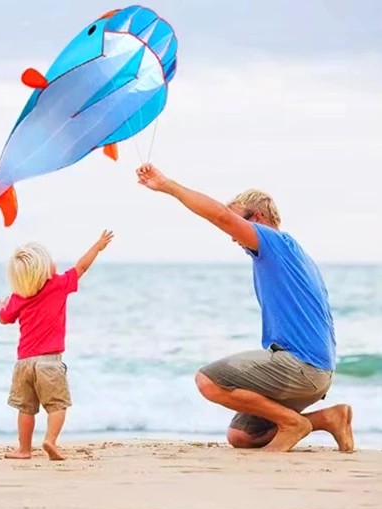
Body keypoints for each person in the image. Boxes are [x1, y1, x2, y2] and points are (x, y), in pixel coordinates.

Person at [135, 163, 353, 453]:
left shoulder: (274, 242)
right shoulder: (293, 256)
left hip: (303, 368)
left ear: (258, 218)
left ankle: (293, 424)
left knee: (207, 381)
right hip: (316, 372)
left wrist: (168, 186)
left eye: (239, 223)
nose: (232, 235)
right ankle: (328, 418)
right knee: (242, 436)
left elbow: (220, 216)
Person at [0, 230, 114, 460]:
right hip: (50, 362)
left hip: (24, 364)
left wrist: (2, 306)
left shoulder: (19, 295)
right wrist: (97, 246)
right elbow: (81, 267)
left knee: (25, 409)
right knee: (57, 406)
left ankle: (24, 450)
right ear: (44, 269)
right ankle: (50, 440)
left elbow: (4, 318)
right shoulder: (58, 284)